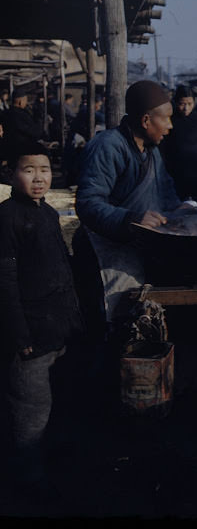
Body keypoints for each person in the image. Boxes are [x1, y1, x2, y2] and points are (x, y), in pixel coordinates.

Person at [73, 80, 193, 328]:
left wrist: (180, 209)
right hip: (105, 249)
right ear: (146, 120)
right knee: (114, 326)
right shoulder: (107, 146)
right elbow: (87, 202)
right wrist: (130, 219)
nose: (170, 126)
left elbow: (165, 190)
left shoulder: (151, 150)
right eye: (166, 119)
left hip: (137, 245)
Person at [0, 142, 83, 495]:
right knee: (30, 412)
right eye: (28, 170)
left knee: (58, 404)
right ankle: (28, 480)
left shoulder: (47, 213)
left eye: (45, 170)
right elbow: (4, 282)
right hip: (31, 335)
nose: (38, 178)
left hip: (58, 328)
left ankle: (55, 468)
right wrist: (20, 336)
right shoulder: (6, 218)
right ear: (10, 174)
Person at [161, 84, 197, 203]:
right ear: (175, 102)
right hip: (177, 173)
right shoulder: (170, 120)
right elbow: (163, 147)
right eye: (182, 104)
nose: (186, 108)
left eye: (190, 104)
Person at [1, 89, 43, 161]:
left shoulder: (5, 113)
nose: (26, 103)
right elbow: (32, 131)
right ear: (20, 102)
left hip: (8, 147)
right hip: (22, 148)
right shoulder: (21, 115)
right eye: (25, 101)